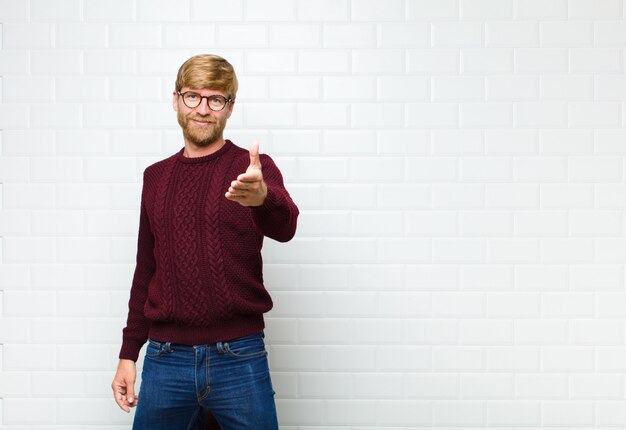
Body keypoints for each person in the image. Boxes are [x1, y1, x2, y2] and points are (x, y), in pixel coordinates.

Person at [110, 54, 299, 430]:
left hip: (239, 355)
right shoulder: (155, 177)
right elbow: (146, 268)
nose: (203, 109)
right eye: (194, 96)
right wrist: (129, 353)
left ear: (229, 107)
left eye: (216, 99)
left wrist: (262, 198)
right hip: (166, 360)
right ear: (176, 99)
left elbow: (286, 227)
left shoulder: (252, 170)